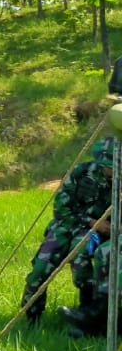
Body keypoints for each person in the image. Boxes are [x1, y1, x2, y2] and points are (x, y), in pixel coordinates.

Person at [22, 136, 114, 324]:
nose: (112, 170)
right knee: (40, 268)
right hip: (65, 226)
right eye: (110, 166)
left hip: (92, 234)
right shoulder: (80, 173)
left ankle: (86, 313)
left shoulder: (118, 183)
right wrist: (92, 222)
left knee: (82, 265)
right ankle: (32, 317)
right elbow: (61, 208)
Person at [59, 105, 122, 337]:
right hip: (94, 229)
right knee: (103, 253)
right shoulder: (82, 174)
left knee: (113, 255)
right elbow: (63, 208)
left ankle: (96, 319)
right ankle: (95, 317)